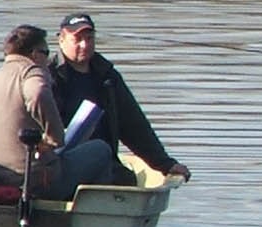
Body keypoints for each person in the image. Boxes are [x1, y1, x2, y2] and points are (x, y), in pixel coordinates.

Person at [0, 25, 118, 200]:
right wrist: (54, 139)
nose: (48, 60)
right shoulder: (31, 71)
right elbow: (38, 93)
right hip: (33, 180)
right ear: (35, 53)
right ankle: (90, 216)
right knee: (101, 150)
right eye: (46, 52)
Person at [49, 14, 192, 185]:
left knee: (127, 180)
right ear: (61, 40)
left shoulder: (107, 76)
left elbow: (133, 124)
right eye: (77, 39)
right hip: (60, 164)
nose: (85, 45)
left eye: (89, 38)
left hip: (106, 164)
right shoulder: (48, 75)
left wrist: (165, 164)